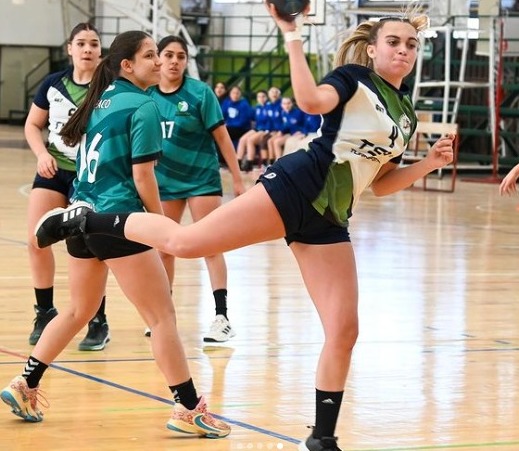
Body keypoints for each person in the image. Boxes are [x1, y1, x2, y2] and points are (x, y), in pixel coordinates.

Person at [31, 5, 454, 450]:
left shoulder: (405, 113)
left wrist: (427, 164)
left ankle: (323, 439)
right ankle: (87, 219)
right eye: (393, 42)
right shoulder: (353, 79)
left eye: (411, 44)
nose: (403, 50)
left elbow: (381, 183)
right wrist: (292, 34)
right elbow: (311, 102)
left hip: (330, 216)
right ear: (372, 49)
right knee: (187, 243)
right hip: (296, 185)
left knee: (344, 329)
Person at [1, 30, 230, 438]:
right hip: (118, 218)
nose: (159, 62)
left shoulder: (99, 100)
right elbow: (143, 176)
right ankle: (188, 408)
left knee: (78, 310)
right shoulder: (143, 105)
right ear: (127, 65)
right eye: (150, 56)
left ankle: (25, 383)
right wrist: (156, 223)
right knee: (162, 317)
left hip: (82, 213)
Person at [144, 35, 245, 342]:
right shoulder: (147, 95)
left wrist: (238, 179)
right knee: (164, 249)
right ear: (158, 58)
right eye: (169, 55)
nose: (174, 61)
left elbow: (223, 138)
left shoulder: (200, 93)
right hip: (164, 182)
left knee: (209, 245)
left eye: (181, 56)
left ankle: (222, 317)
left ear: (187, 61)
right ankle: (163, 315)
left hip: (202, 179)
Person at [24, 22, 110, 351]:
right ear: (70, 49)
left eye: (94, 43)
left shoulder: (109, 88)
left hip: (90, 176)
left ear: (100, 51)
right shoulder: (53, 84)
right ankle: (45, 311)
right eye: (81, 43)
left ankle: (98, 320)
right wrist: (41, 153)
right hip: (54, 170)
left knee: (90, 248)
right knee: (36, 239)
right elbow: (33, 125)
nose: (87, 49)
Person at [221, 85, 252, 149]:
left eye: (237, 93)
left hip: (241, 128)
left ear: (240, 94)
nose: (235, 95)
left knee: (224, 132)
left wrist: (228, 124)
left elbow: (243, 121)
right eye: (233, 93)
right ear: (230, 94)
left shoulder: (244, 104)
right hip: (229, 127)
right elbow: (222, 115)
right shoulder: (226, 102)